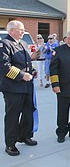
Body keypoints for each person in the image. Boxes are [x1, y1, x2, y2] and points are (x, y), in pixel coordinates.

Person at [0, 20, 38, 156]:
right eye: (20, 29)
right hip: (13, 88)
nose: (23, 32)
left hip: (27, 86)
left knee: (28, 113)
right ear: (11, 31)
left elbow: (27, 62)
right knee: (13, 116)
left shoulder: (23, 44)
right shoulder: (4, 45)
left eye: (23, 29)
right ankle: (10, 144)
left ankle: (25, 135)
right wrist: (22, 75)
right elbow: (4, 67)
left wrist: (32, 71)